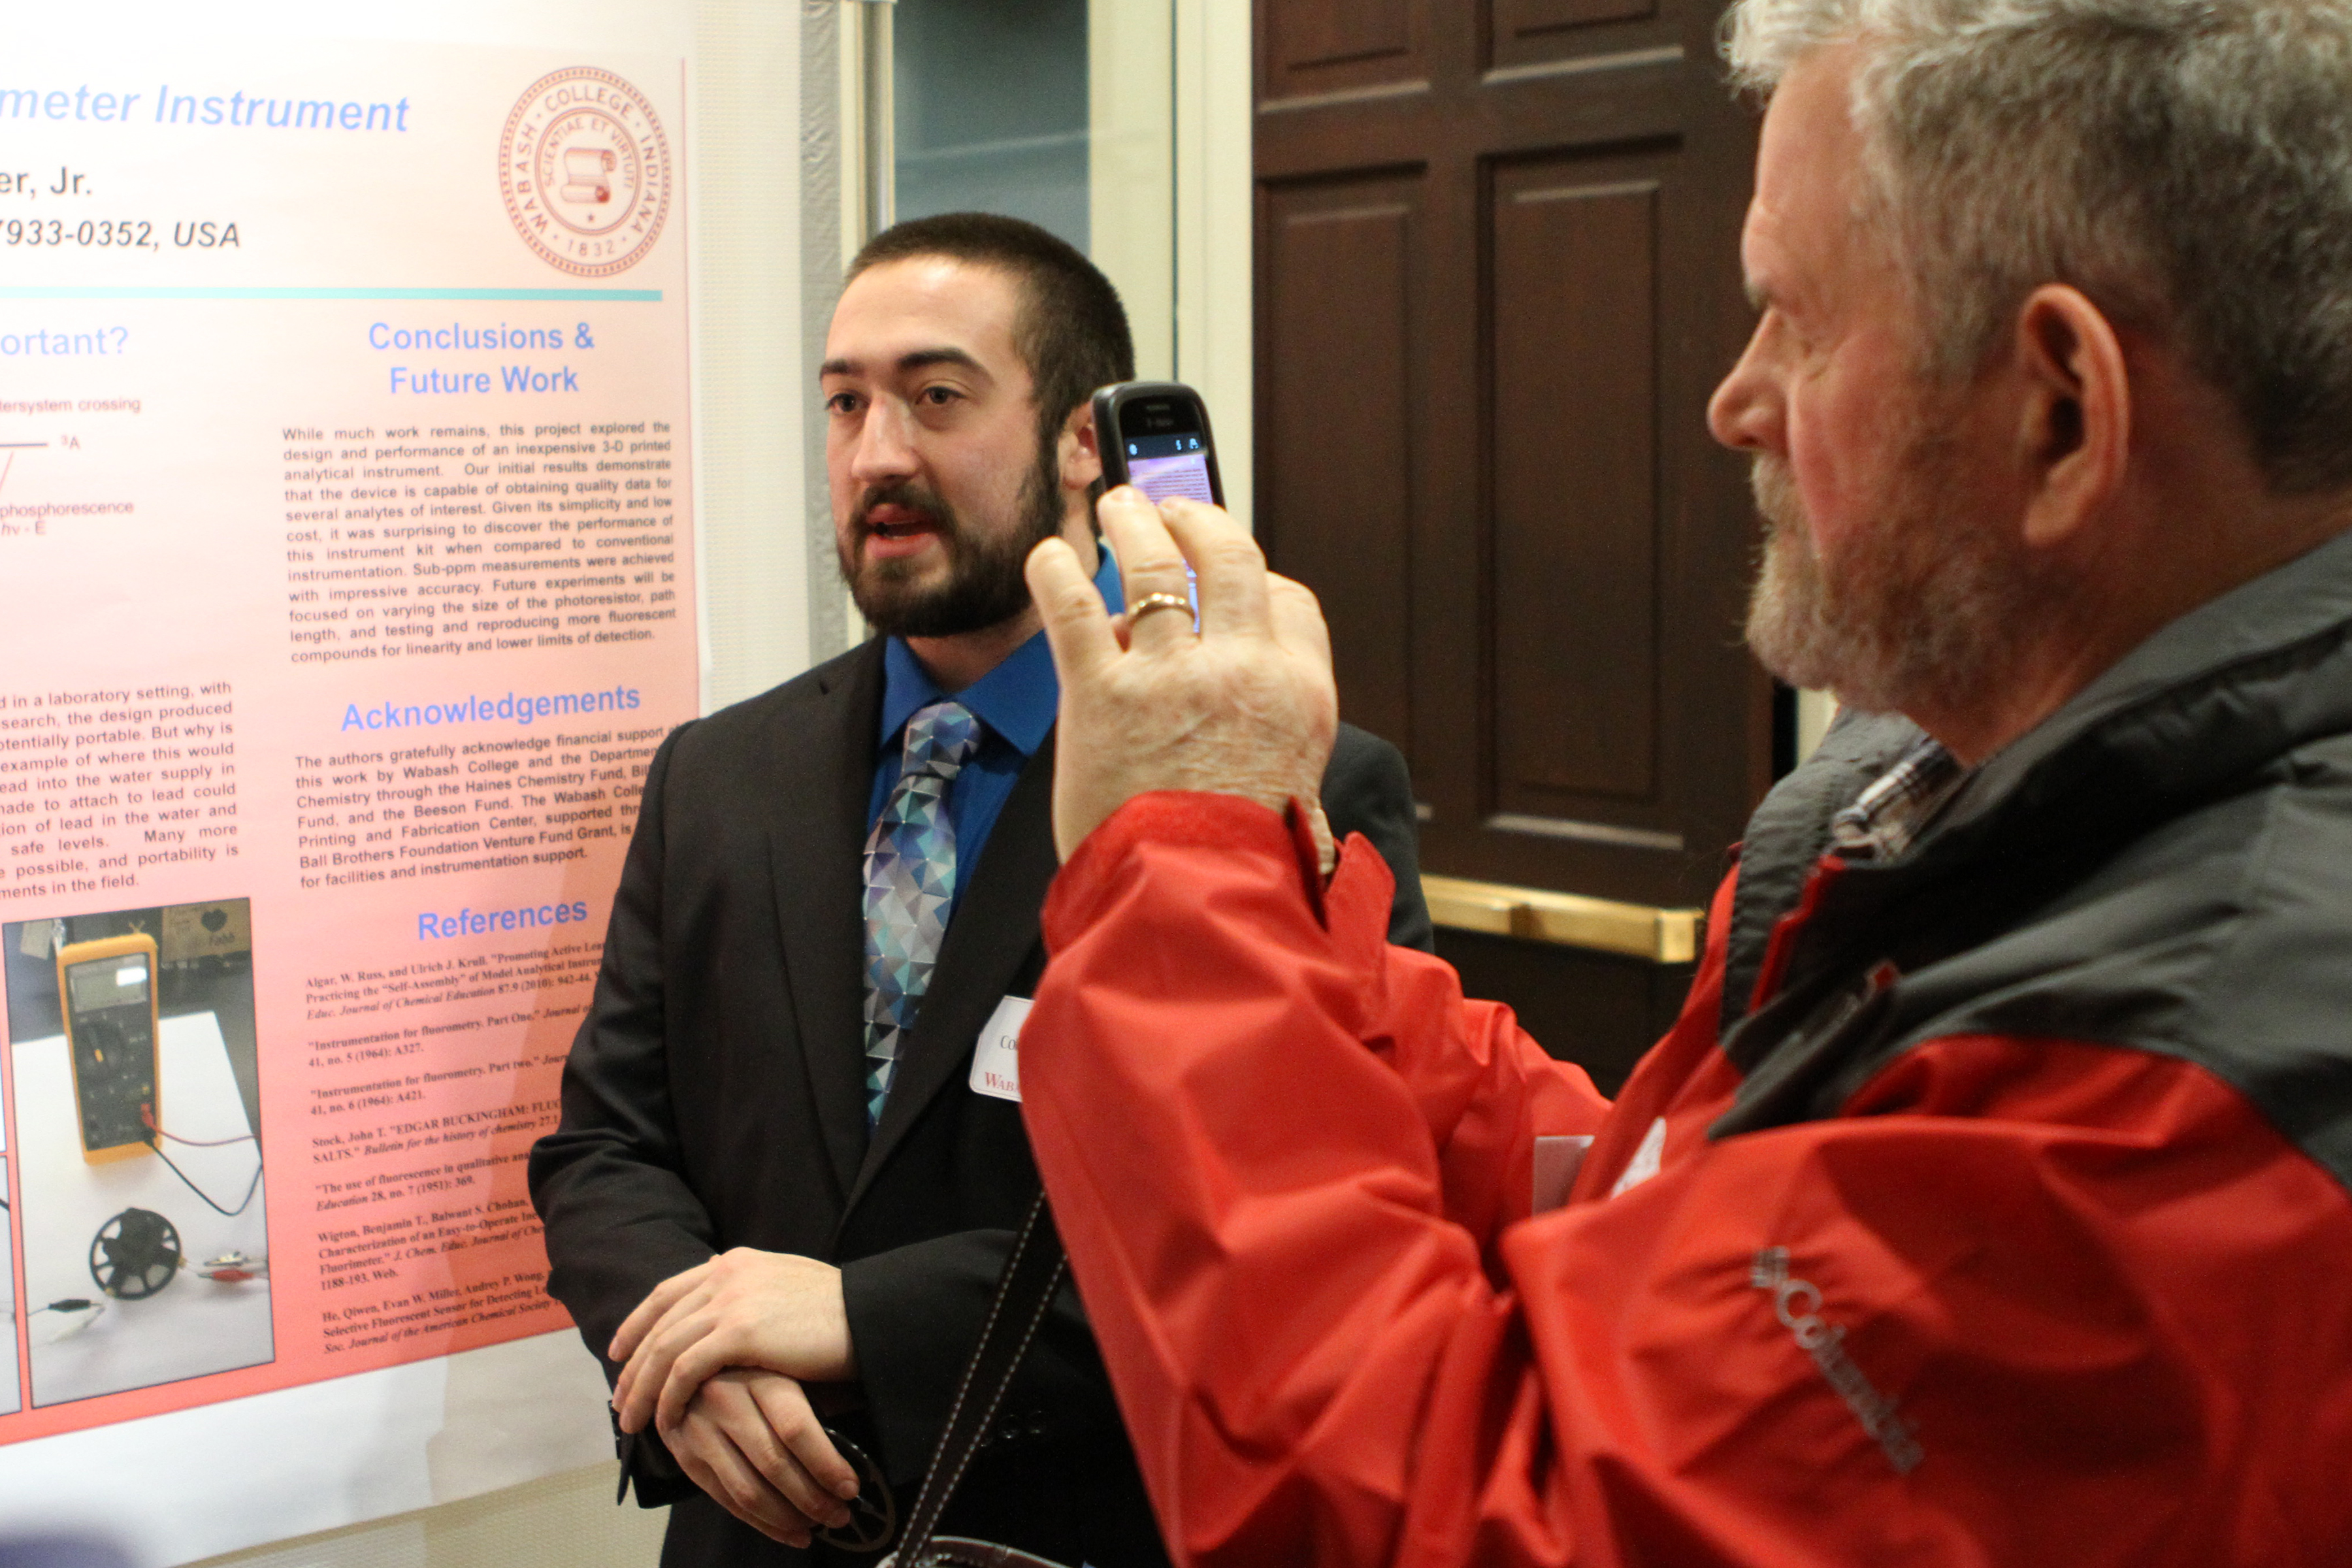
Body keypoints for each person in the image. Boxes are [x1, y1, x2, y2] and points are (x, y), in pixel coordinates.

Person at [990, 1, 2352, 1562]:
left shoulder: (2187, 1086)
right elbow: (1642, 1204)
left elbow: (1452, 1513)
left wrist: (1176, 871)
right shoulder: (1965, 788)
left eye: (1797, 316)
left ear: (2060, 413)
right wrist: (1276, 882)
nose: (1737, 398)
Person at [527, 212, 1431, 1567]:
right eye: (846, 404)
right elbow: (605, 1143)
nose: (877, 453)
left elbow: (1300, 1227)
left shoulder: (1274, 778)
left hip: (1071, 1520)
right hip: (753, 1529)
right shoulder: (721, 771)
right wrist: (692, 1356)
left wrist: (860, 1319)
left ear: (1084, 442)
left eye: (936, 397)